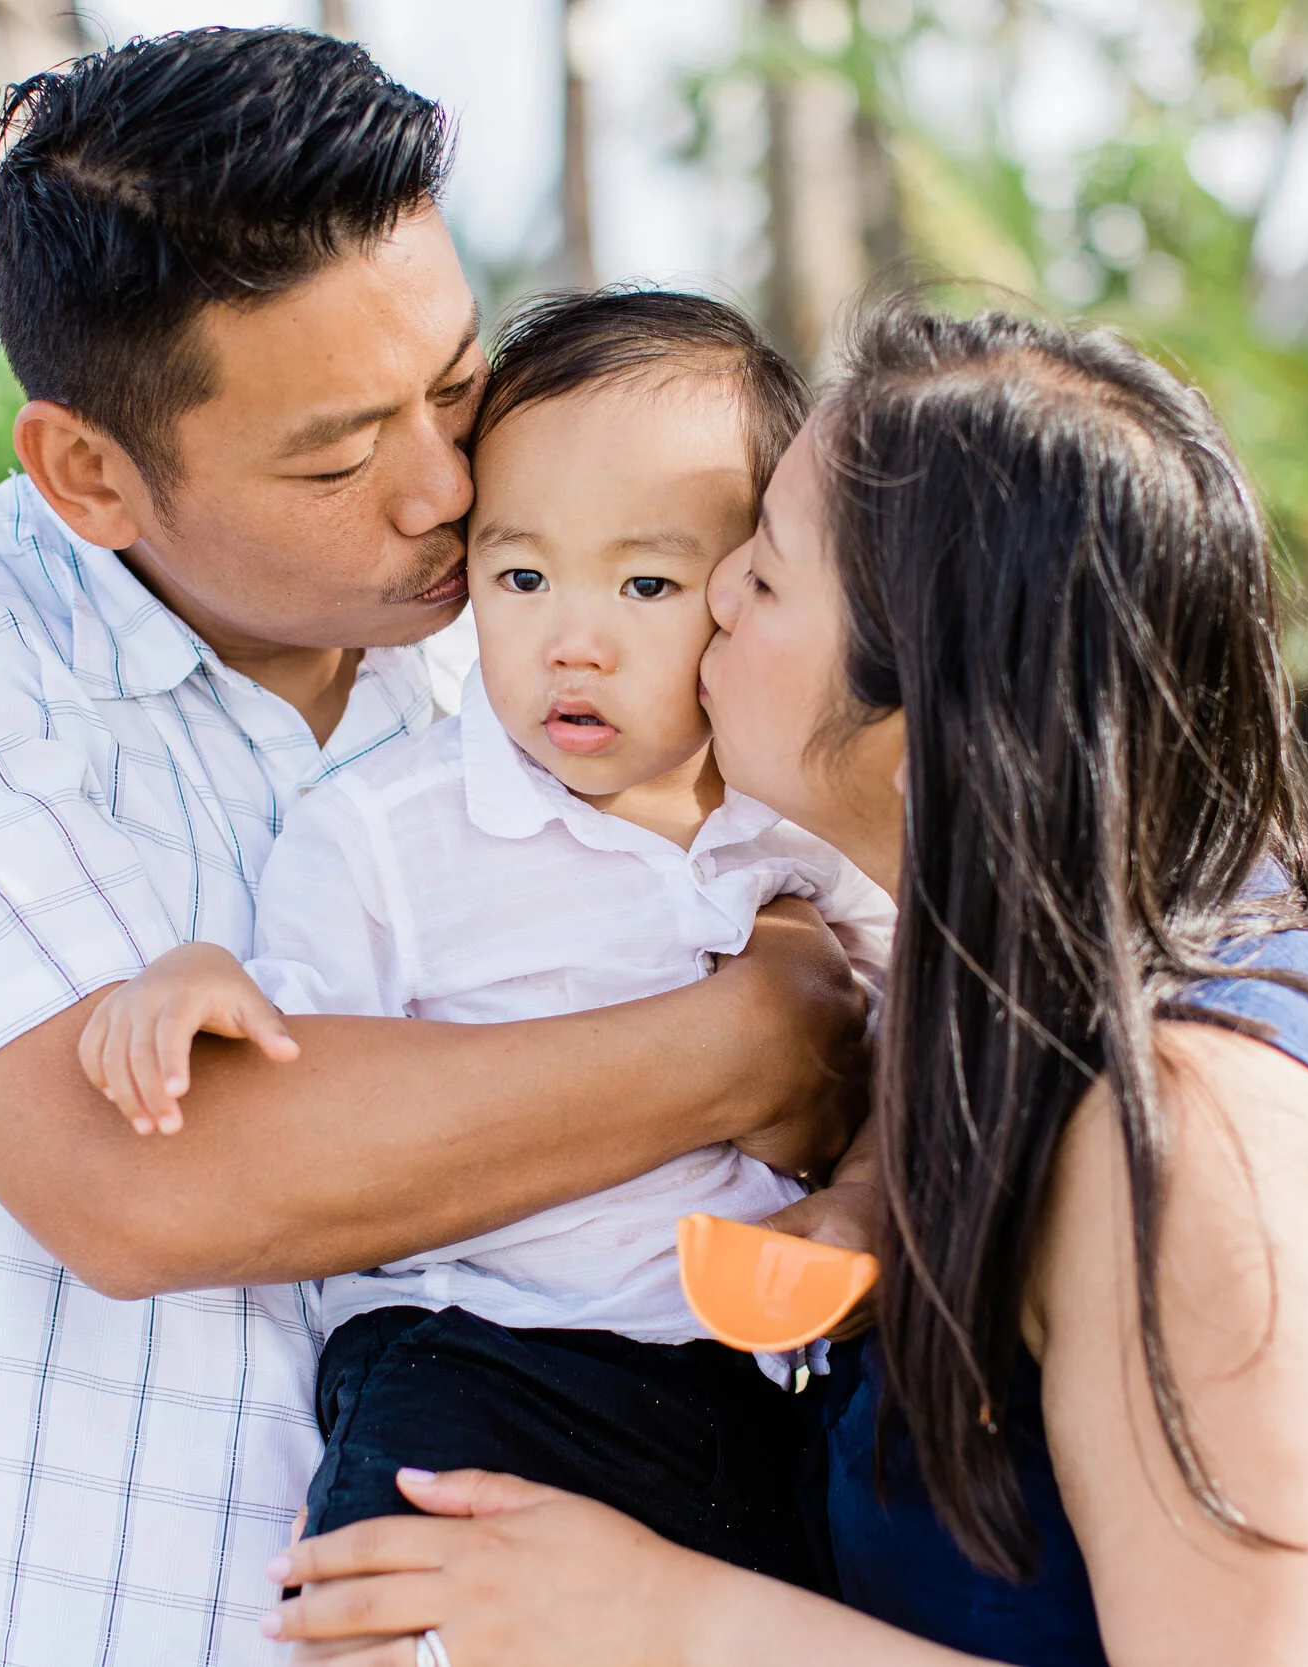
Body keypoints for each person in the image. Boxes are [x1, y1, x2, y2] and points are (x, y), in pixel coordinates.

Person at [0, 31, 863, 1667]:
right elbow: (143, 1177)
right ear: (91, 472)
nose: (450, 488)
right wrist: (753, 1032)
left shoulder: (541, 659)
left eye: (458, 385)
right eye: (339, 454)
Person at [263, 305, 1308, 1666]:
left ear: (922, 739)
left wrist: (664, 1615)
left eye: (760, 578)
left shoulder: (1194, 1139)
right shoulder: (1021, 982)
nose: (710, 595)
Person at [81, 288, 892, 1588]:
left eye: (646, 581)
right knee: (403, 1606)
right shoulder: (395, 828)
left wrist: (855, 1205)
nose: (573, 639)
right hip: (475, 1348)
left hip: (739, 1376)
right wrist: (199, 979)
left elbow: (903, 1051)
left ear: (748, 589)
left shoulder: (800, 828)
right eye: (521, 576)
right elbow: (301, 1062)